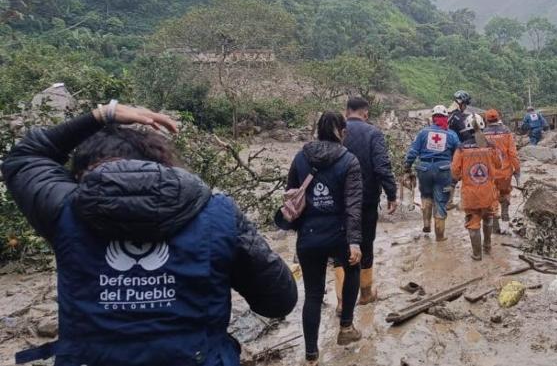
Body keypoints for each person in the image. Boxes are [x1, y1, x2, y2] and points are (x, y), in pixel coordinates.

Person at [2, 102, 297, 365]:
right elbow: (278, 301)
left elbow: (25, 157)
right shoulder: (215, 212)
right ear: (164, 167)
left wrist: (102, 115)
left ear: (80, 176)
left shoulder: (63, 211)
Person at [286, 112, 363, 363]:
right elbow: (353, 204)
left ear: (318, 130)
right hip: (339, 234)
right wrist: (354, 242)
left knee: (313, 294)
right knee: (352, 270)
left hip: (308, 235)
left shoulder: (300, 157)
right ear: (341, 131)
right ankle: (346, 327)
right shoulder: (349, 160)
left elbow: (291, 193)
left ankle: (311, 355)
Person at [340, 97, 398, 307]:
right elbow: (382, 166)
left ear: (346, 111)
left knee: (341, 246)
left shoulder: (337, 131)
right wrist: (391, 194)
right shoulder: (373, 133)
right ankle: (365, 294)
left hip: (339, 201)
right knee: (365, 244)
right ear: (366, 113)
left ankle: (340, 301)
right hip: (366, 199)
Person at [405, 105, 460, 241]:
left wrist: (407, 168)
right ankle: (440, 237)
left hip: (424, 169)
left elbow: (412, 152)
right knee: (440, 201)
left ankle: (426, 224)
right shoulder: (451, 134)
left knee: (426, 195)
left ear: (433, 118)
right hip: (443, 170)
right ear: (446, 119)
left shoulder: (423, 133)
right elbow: (459, 152)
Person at [451, 122, 503, 260]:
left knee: (473, 222)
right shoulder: (491, 146)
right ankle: (488, 247)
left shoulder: (461, 148)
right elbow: (499, 164)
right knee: (488, 217)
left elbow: (455, 171)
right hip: (488, 193)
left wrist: (463, 176)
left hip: (470, 195)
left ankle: (477, 254)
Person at [483, 108, 521, 234]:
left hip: (489, 174)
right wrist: (517, 169)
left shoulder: (482, 134)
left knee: (492, 198)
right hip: (505, 172)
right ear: (498, 118)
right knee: (505, 194)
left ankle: (495, 226)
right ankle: (505, 217)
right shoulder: (506, 132)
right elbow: (512, 153)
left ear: (486, 120)